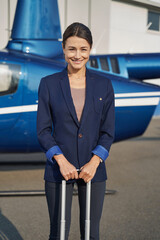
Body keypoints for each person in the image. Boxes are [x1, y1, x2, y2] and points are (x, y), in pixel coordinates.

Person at [37, 22, 115, 240]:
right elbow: (43, 130)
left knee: (91, 232)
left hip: (93, 170)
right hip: (58, 170)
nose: (77, 55)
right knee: (58, 231)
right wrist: (61, 160)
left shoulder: (104, 85)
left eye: (83, 49)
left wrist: (94, 161)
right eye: (72, 49)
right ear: (63, 49)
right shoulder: (48, 84)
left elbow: (108, 131)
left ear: (90, 49)